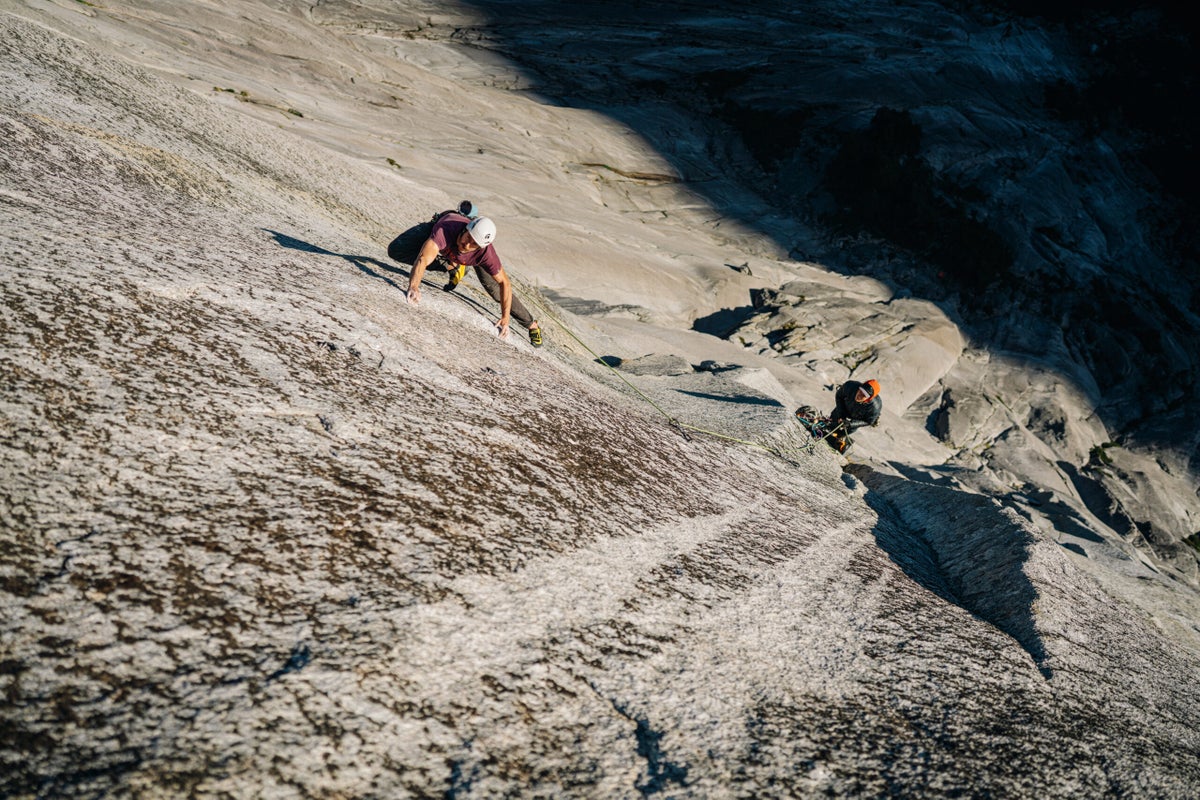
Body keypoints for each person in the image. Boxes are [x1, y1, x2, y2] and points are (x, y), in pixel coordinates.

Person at [389, 206, 543, 347]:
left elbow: (505, 284)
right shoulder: (445, 230)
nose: (467, 245)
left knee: (495, 291)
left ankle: (532, 325)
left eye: (474, 244)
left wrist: (505, 319)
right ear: (465, 229)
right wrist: (414, 286)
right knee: (397, 250)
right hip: (443, 237)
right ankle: (452, 266)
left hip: (468, 258)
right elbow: (423, 259)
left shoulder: (485, 253)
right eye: (468, 238)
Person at [826, 378, 882, 452]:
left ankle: (840, 436)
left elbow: (869, 421)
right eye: (860, 390)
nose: (859, 395)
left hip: (857, 417)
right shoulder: (850, 386)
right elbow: (839, 395)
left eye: (864, 395)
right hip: (845, 407)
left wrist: (850, 424)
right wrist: (841, 414)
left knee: (848, 429)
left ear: (868, 399)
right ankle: (829, 428)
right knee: (833, 420)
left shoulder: (875, 407)